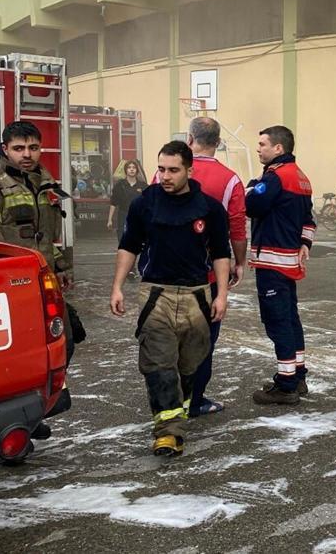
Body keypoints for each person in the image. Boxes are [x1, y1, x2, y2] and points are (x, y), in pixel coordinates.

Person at [110, 141, 231, 456]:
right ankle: (167, 433)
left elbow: (220, 254)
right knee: (159, 365)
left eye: (173, 170)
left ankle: (179, 412)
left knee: (188, 367)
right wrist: (117, 286)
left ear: (189, 170)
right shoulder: (143, 205)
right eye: (161, 169)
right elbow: (129, 246)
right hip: (157, 296)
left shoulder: (210, 209)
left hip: (197, 298)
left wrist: (222, 294)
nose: (165, 176)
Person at [0, 121, 83, 353]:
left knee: (63, 343)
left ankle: (56, 389)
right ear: (5, 149)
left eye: (33, 147)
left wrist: (59, 266)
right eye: (19, 148)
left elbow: (44, 236)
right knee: (24, 349)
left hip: (44, 278)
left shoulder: (46, 184)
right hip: (11, 285)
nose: (27, 154)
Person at [180, 116, 247, 418]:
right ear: (218, 143)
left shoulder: (165, 173)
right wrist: (240, 262)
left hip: (167, 274)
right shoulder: (231, 180)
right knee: (204, 338)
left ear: (189, 140)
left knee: (171, 337)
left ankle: (170, 399)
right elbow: (237, 228)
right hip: (207, 275)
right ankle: (195, 400)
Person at [246, 125, 315, 405]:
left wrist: (250, 187)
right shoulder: (301, 177)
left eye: (263, 144)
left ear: (278, 148)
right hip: (287, 261)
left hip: (272, 261)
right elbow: (309, 220)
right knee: (290, 319)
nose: (258, 148)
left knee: (277, 322)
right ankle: (298, 376)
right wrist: (305, 244)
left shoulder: (276, 177)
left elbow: (252, 205)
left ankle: (286, 385)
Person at [108, 159, 148, 244]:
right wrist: (110, 219)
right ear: (126, 170)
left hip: (138, 216)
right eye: (129, 167)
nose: (132, 169)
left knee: (138, 241)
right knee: (123, 240)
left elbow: (149, 202)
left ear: (137, 170)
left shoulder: (143, 185)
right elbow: (113, 203)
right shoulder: (119, 185)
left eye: (134, 167)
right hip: (124, 215)